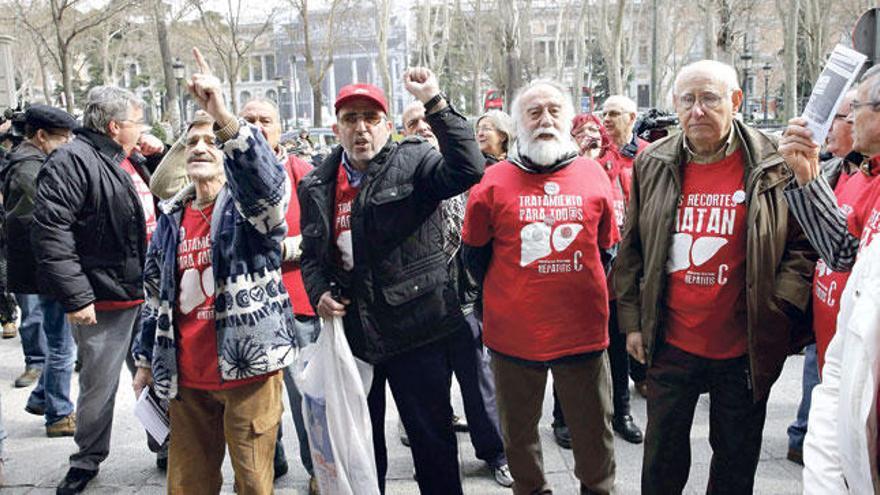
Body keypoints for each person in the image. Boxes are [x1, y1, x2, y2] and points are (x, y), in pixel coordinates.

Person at [614, 60, 814, 494]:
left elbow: (802, 246)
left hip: (743, 344)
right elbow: (632, 247)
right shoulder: (653, 162)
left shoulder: (773, 162)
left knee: (736, 463)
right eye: (687, 100)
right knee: (662, 462)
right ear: (675, 105)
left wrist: (778, 306)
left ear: (736, 101)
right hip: (671, 341)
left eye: (709, 98)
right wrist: (631, 321)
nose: (697, 110)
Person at [298, 70, 484, 495]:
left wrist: (435, 101)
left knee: (431, 440)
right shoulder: (317, 182)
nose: (360, 127)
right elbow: (312, 255)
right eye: (350, 118)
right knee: (360, 444)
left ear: (387, 125)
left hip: (417, 329)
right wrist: (320, 293)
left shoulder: (415, 160)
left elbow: (469, 168)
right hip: (354, 336)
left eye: (370, 117)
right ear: (336, 127)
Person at [131, 48, 294, 495]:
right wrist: (145, 361)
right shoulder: (171, 216)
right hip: (185, 379)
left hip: (248, 374)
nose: (200, 147)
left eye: (211, 141)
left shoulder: (248, 212)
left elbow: (266, 187)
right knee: (186, 486)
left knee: (253, 484)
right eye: (192, 142)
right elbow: (154, 299)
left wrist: (220, 111)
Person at [462, 79, 617, 495]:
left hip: (582, 334)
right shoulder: (493, 181)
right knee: (519, 440)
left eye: (553, 110)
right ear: (517, 123)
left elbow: (605, 250)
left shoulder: (593, 175)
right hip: (514, 338)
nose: (545, 119)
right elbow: (473, 254)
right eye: (534, 112)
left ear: (567, 119)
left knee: (594, 437)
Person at [30, 86, 162, 494]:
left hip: (146, 292)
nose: (143, 129)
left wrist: (156, 154)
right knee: (99, 386)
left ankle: (166, 442)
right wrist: (76, 296)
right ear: (114, 126)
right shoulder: (72, 161)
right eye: (137, 122)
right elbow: (52, 233)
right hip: (103, 298)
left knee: (157, 376)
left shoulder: (127, 158)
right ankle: (87, 459)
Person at [398, 101, 513, 488]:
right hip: (418, 305)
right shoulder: (397, 176)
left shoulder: (467, 169)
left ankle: (495, 452)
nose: (423, 128)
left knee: (478, 380)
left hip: (464, 296)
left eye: (428, 122)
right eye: (413, 123)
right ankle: (430, 458)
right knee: (428, 390)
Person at [240, 97, 319, 493]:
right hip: (246, 307)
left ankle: (318, 467)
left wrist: (281, 249)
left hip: (297, 301)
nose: (255, 126)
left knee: (305, 393)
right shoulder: (226, 173)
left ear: (279, 126)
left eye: (264, 120)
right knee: (257, 397)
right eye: (247, 120)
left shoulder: (301, 172)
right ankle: (273, 461)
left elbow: (321, 235)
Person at [784, 89, 861, 466]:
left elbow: (843, 253)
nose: (827, 128)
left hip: (855, 349)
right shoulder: (839, 172)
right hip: (822, 329)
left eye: (842, 116)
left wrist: (807, 175)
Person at [1, 105, 78, 437]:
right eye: (64, 138)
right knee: (62, 343)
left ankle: (42, 396)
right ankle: (59, 413)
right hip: (47, 268)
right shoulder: (30, 169)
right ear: (42, 136)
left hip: (42, 267)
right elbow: (47, 222)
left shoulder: (28, 163)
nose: (68, 143)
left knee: (61, 338)